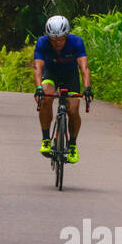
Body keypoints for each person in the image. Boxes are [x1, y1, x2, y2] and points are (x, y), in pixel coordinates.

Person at [32, 15, 93, 162]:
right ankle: (46, 139)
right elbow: (37, 67)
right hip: (51, 73)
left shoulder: (76, 42)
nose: (57, 43)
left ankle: (72, 145)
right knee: (46, 97)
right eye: (53, 39)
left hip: (70, 76)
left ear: (66, 35)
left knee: (72, 110)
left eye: (60, 39)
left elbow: (84, 68)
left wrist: (87, 88)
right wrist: (38, 87)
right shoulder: (42, 43)